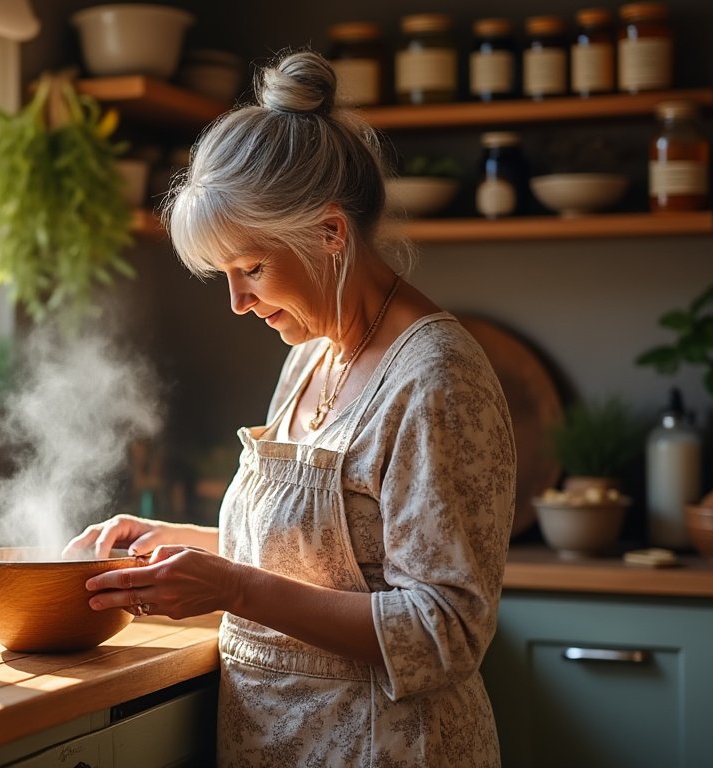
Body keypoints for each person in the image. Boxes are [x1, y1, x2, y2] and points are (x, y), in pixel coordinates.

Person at [64, 50, 516, 767]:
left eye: (251, 269)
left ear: (331, 234)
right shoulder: (311, 355)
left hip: (387, 749)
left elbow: (444, 634)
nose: (239, 302)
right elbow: (326, 570)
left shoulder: (436, 380)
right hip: (283, 738)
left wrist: (232, 585)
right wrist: (183, 552)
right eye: (226, 274)